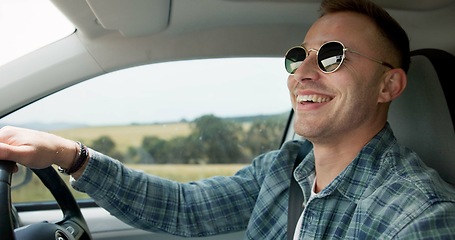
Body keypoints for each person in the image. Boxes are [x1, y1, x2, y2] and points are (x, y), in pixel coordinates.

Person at [1, 0, 455, 238]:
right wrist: (70, 155)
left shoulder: (416, 217)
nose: (303, 72)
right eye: (299, 56)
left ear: (388, 86)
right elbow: (185, 208)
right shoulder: (285, 168)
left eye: (333, 56)